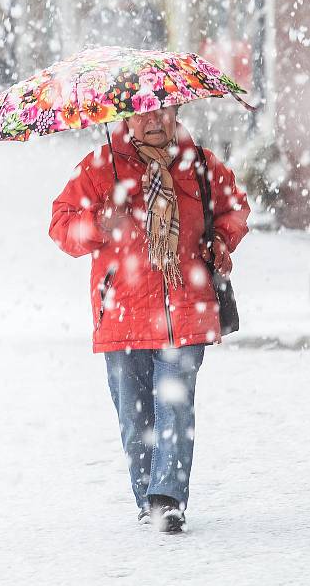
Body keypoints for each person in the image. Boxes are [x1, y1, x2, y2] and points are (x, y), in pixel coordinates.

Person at [48, 106, 250, 532]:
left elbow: (234, 208)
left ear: (177, 110)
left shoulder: (199, 164)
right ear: (124, 118)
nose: (153, 121)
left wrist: (219, 238)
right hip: (122, 312)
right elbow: (61, 226)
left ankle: (167, 498)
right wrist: (101, 222)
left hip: (186, 308)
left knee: (174, 402)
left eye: (162, 111)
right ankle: (147, 495)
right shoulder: (100, 167)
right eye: (141, 114)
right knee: (134, 413)